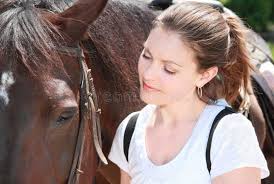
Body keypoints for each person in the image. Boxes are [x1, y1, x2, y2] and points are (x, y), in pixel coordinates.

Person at [108, 1, 270, 184]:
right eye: (146, 55)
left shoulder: (229, 133)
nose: (148, 74)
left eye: (169, 69)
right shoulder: (130, 130)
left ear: (204, 76)